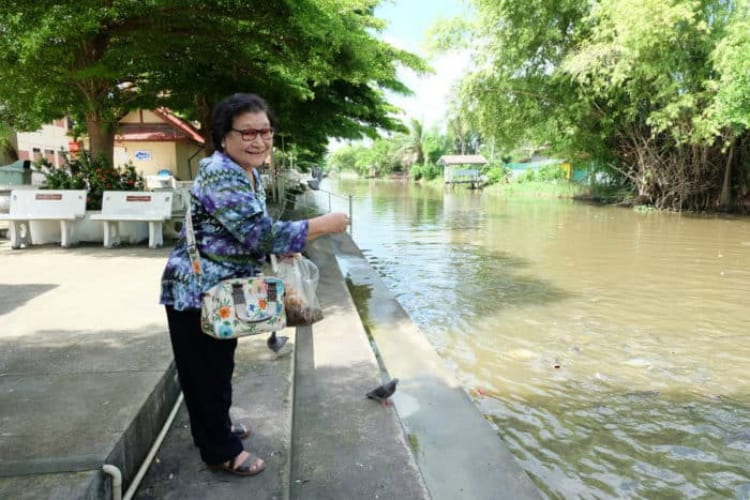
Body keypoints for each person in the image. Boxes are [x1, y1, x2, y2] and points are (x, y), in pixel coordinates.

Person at [159, 93, 348, 477]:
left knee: (218, 368)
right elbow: (258, 233)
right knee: (204, 376)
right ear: (223, 136)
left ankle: (220, 429)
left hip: (222, 292)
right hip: (195, 292)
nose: (258, 141)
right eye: (247, 132)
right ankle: (219, 451)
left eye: (265, 131)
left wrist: (285, 248)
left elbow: (241, 235)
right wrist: (322, 225)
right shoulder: (220, 172)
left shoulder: (247, 171)